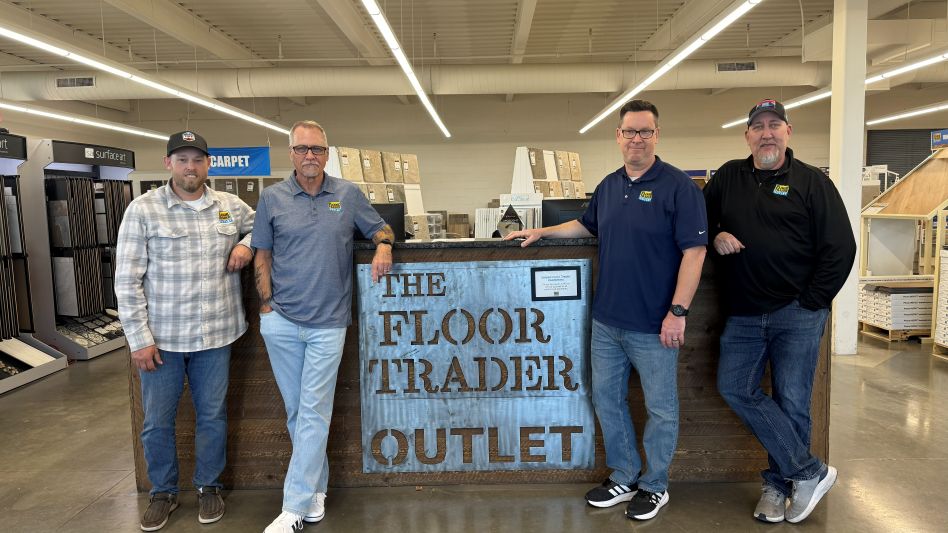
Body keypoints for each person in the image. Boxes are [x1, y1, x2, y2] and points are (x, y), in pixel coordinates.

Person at [505, 100, 707, 521]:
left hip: (655, 325)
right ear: (618, 136)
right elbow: (585, 225)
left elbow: (695, 251)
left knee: (661, 409)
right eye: (629, 131)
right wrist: (543, 230)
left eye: (645, 132)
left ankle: (654, 485)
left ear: (657, 135)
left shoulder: (679, 187)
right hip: (607, 322)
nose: (637, 139)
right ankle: (625, 474)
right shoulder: (610, 186)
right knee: (607, 401)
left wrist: (678, 312)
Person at [704, 99, 856, 524]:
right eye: (758, 127)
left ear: (788, 131)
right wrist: (716, 234)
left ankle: (777, 486)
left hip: (797, 313)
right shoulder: (729, 177)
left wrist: (812, 301)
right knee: (735, 387)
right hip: (744, 313)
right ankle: (809, 472)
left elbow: (841, 247)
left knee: (792, 402)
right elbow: (698, 222)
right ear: (747, 135)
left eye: (774, 125)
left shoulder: (811, 183)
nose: (766, 133)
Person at [254, 120, 395, 533]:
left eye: (317, 149)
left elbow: (380, 227)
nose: (310, 156)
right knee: (299, 413)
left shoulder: (347, 195)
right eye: (302, 149)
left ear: (327, 153)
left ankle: (293, 509)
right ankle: (316, 492)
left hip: (328, 324)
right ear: (291, 154)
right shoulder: (272, 198)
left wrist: (384, 245)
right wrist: (266, 308)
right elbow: (262, 253)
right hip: (281, 321)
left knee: (313, 411)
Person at [115, 131, 255, 531]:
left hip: (217, 336)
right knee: (157, 421)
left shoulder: (229, 206)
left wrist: (246, 245)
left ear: (209, 164)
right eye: (182, 159)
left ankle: (208, 486)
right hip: (162, 342)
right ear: (168, 163)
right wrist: (139, 339)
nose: (190, 167)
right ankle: (163, 492)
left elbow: (264, 227)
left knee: (213, 416)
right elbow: (127, 280)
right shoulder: (143, 210)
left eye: (197, 159)